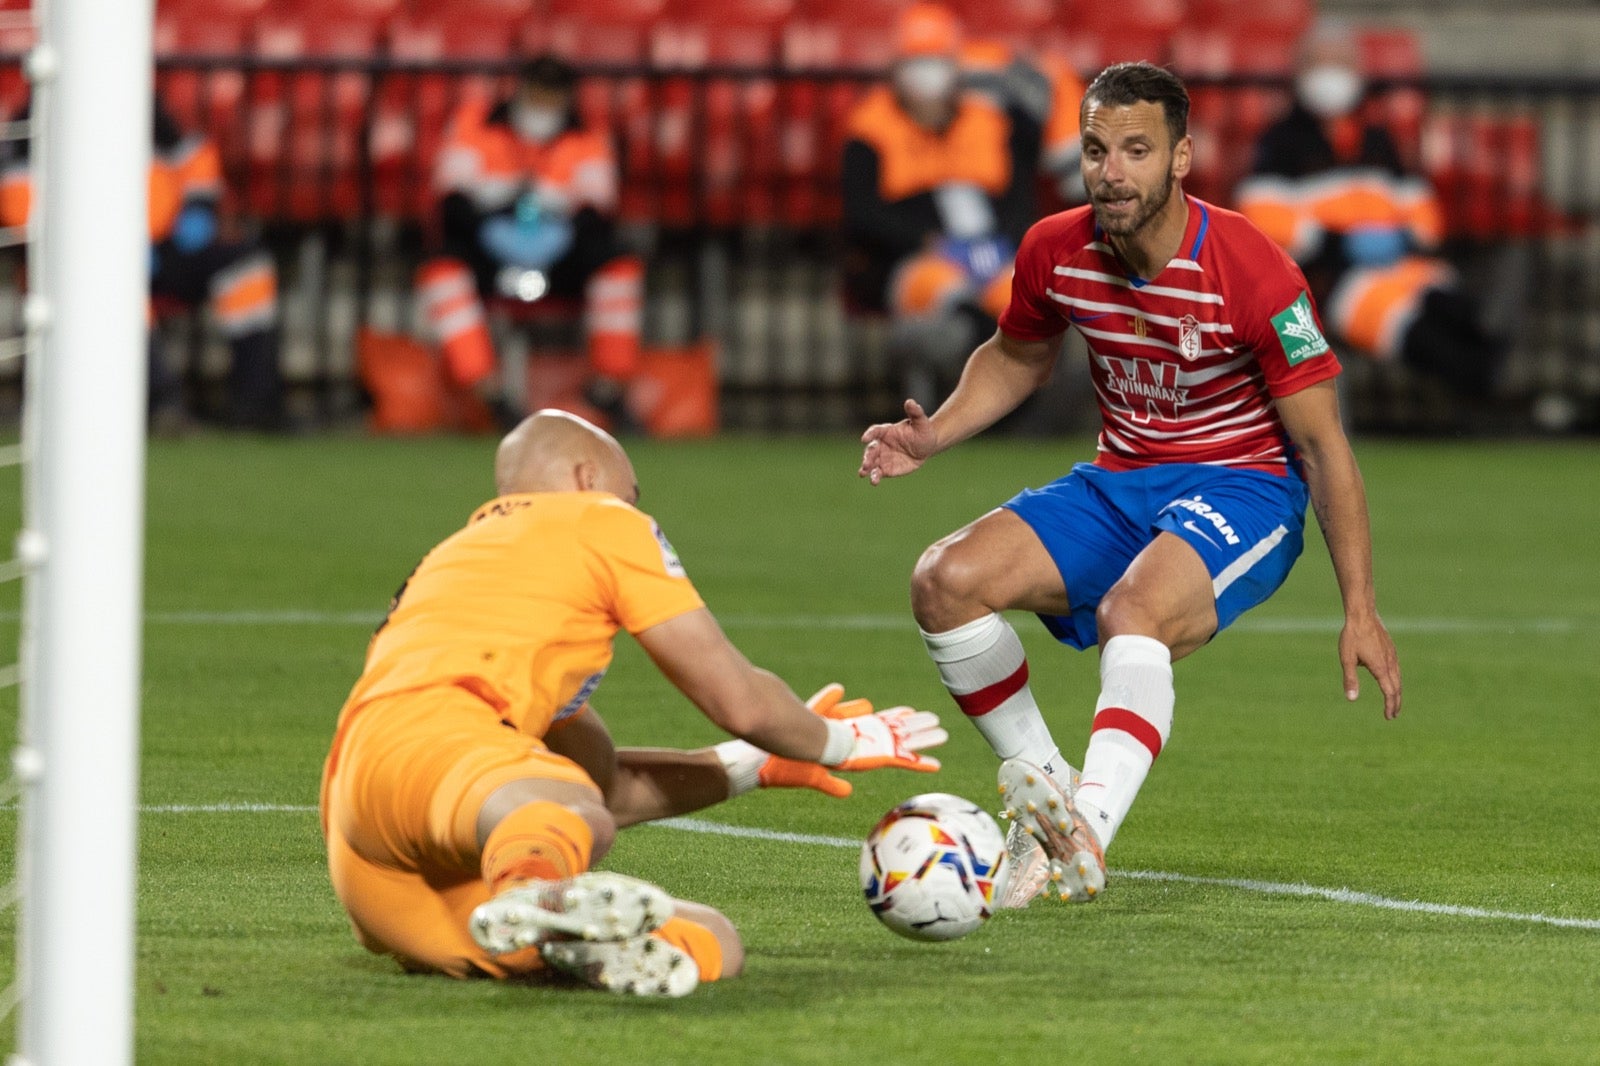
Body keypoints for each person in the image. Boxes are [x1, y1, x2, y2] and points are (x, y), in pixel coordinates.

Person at [857, 62, 1402, 908]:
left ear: (1182, 158)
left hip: (1243, 488)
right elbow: (1017, 358)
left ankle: (1086, 835)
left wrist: (1359, 606)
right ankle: (1049, 801)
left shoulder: (1253, 270)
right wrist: (935, 436)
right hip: (1123, 478)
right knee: (944, 582)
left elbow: (1327, 449)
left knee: (1131, 613)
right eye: (1096, 149)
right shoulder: (1054, 247)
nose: (1112, 171)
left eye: (1137, 150)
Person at [321, 409, 945, 996]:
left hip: (370, 853)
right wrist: (839, 740)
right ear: (587, 478)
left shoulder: (461, 568)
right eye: (630, 493)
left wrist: (755, 764)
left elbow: (606, 788)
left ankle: (550, 925)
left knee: (710, 943)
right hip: (438, 751)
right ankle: (536, 893)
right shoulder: (597, 519)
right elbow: (740, 699)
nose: (633, 508)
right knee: (573, 814)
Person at [1235, 18, 1502, 399]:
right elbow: (1262, 214)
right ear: (1299, 73)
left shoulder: (1378, 138)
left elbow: (1421, 206)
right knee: (1404, 323)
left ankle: (1484, 381)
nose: (1331, 76)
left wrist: (1406, 236)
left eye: (1340, 64)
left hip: (1399, 260)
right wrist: (1336, 242)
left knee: (1452, 306)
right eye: (1319, 65)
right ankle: (1476, 392)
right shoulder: (1280, 142)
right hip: (1329, 271)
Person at [0, 94, 286, 430]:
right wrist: (103, 244)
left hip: (167, 246)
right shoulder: (39, 117)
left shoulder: (137, 100)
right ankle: (161, 403)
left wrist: (198, 207)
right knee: (116, 286)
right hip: (84, 259)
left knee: (246, 267)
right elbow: (22, 207)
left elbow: (195, 158)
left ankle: (255, 404)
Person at [416, 54, 644, 431]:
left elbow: (598, 210)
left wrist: (553, 227)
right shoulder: (476, 122)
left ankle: (608, 388)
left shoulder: (588, 134)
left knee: (618, 264)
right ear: (521, 90)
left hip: (559, 249)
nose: (544, 105)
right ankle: (488, 393)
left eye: (553, 96)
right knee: (442, 270)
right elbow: (451, 200)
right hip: (488, 241)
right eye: (538, 94)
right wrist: (497, 219)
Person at [841, 3, 1036, 409]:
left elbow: (1020, 199)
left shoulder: (991, 122)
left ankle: (1017, 415)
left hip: (992, 253)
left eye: (936, 62)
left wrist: (1005, 244)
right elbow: (862, 215)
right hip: (918, 259)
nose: (927, 76)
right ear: (895, 69)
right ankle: (965, 407)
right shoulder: (869, 128)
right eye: (916, 63)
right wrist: (928, 240)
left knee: (1025, 302)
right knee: (951, 300)